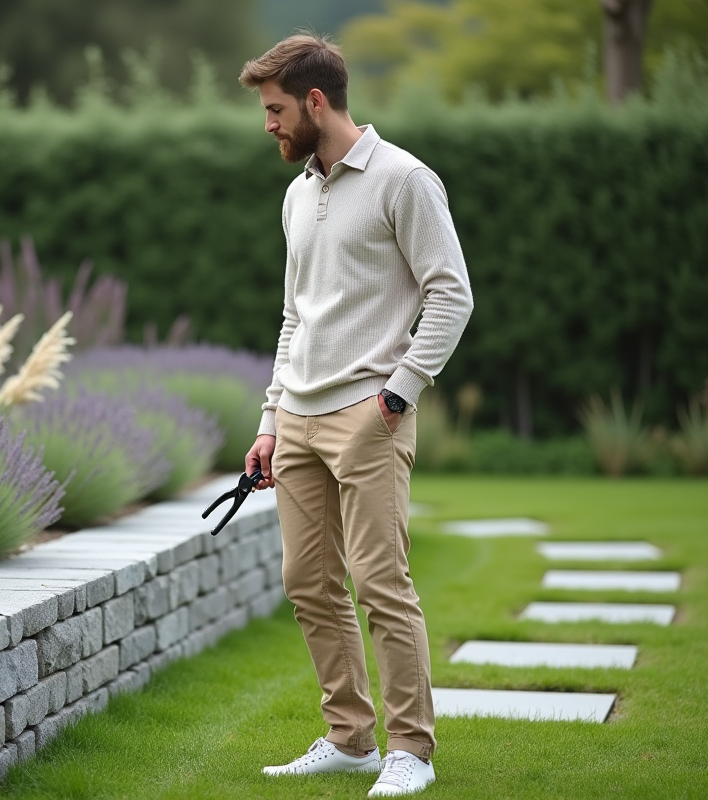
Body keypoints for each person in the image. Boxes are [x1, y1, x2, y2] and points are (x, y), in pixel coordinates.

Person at [238, 33, 474, 798]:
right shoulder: (297, 193)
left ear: (315, 102)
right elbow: (293, 317)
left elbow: (451, 294)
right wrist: (271, 419)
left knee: (381, 583)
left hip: (369, 414)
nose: (268, 125)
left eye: (275, 110)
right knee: (308, 582)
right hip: (299, 421)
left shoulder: (405, 180)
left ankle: (413, 749)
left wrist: (398, 394)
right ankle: (350, 739)